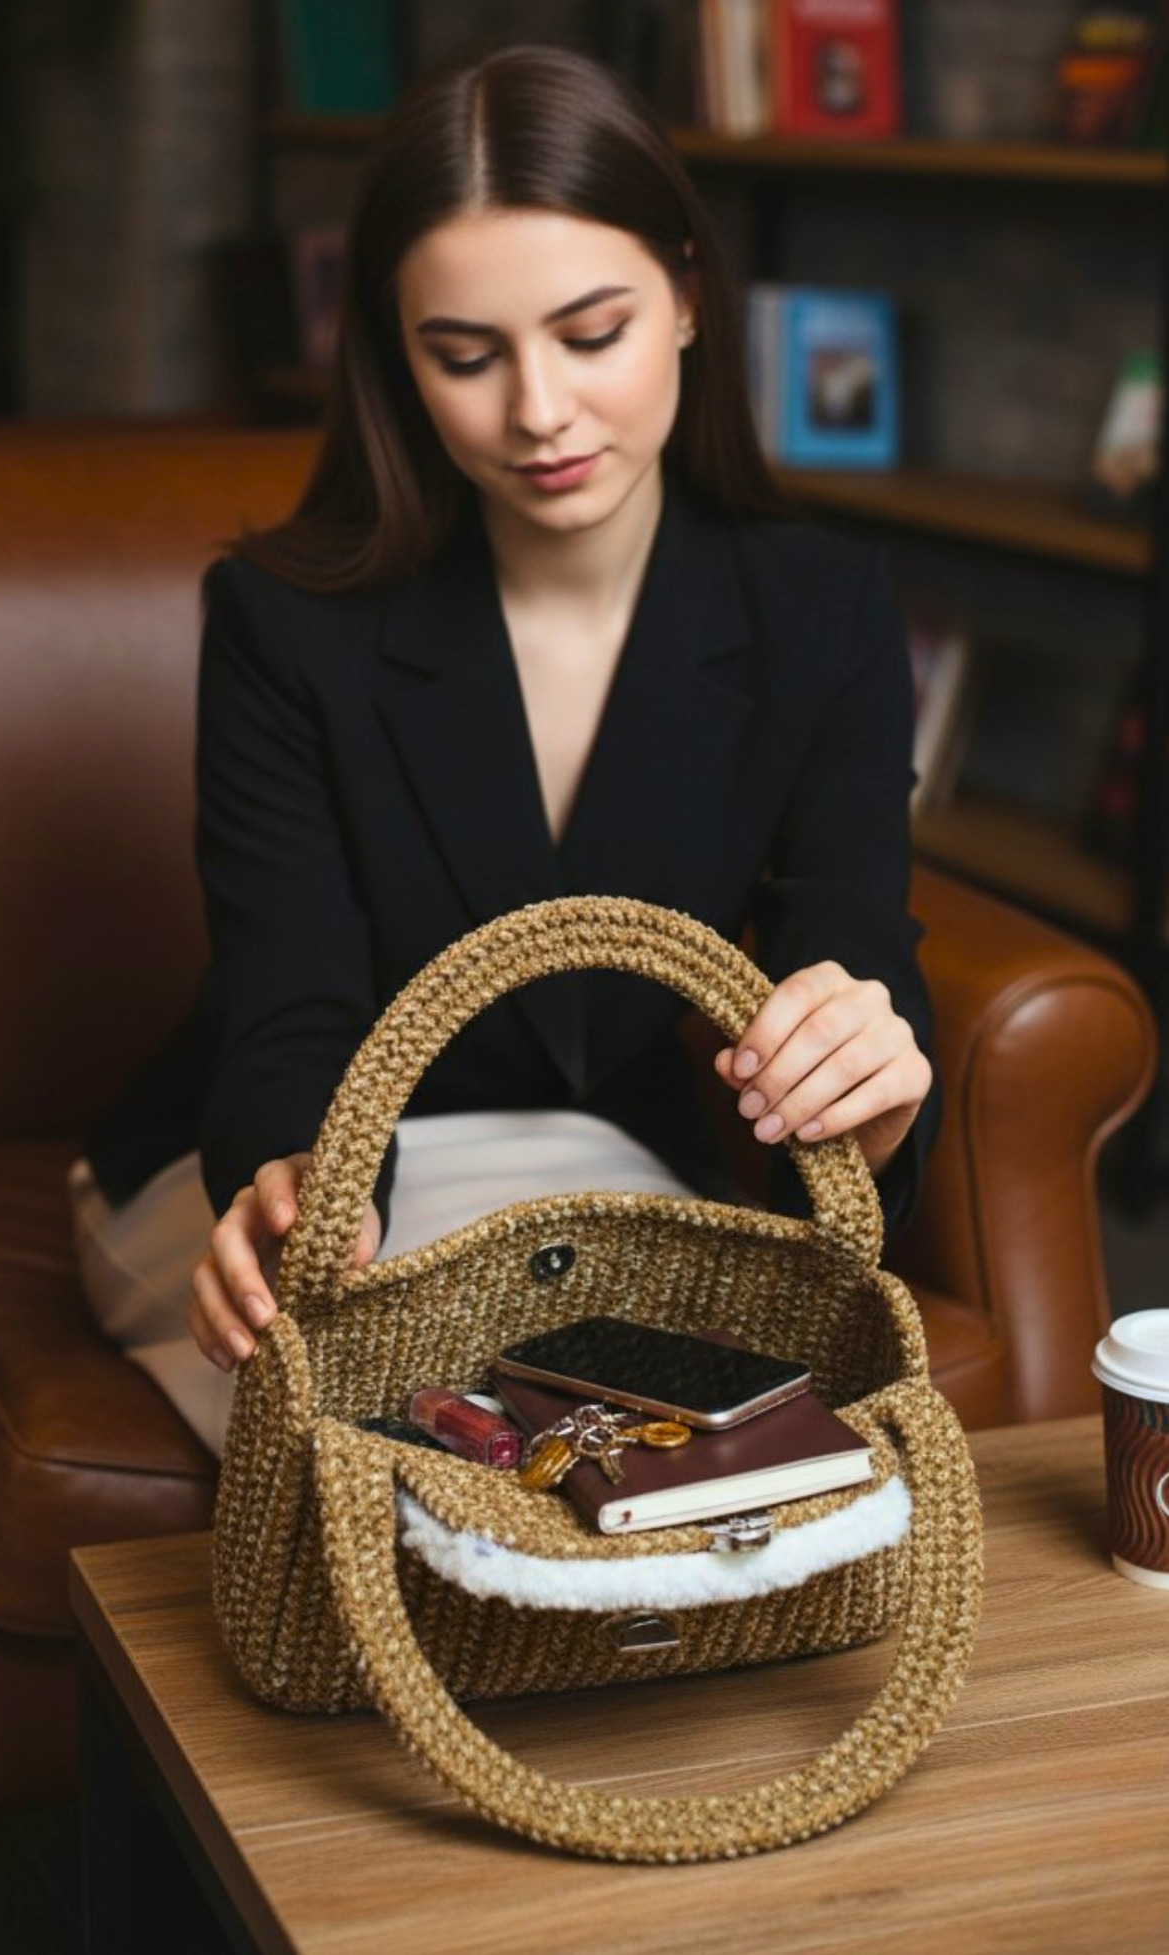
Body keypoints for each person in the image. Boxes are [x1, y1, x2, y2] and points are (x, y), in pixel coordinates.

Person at [73, 44, 936, 1452]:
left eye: (589, 333)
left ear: (687, 300)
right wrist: (302, 1187)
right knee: (418, 1449)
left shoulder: (819, 606)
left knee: (679, 1458)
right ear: (397, 357)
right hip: (266, 1175)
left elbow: (850, 941)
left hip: (596, 1167)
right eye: (464, 357)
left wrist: (864, 1074)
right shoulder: (285, 620)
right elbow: (285, 999)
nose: (535, 412)